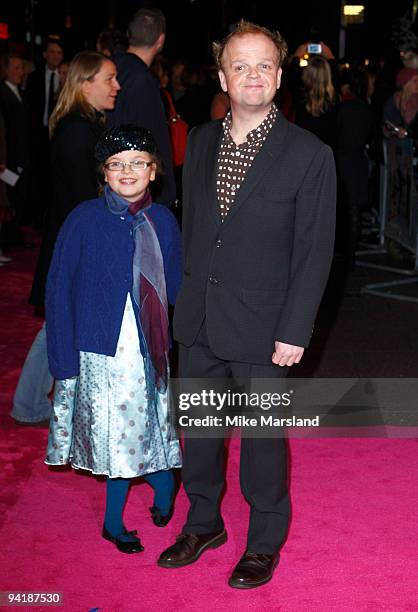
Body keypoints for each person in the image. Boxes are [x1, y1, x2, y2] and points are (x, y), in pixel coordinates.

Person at [158, 20, 336, 589]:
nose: (252, 75)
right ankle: (203, 522)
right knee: (202, 434)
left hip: (266, 327)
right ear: (222, 76)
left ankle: (263, 542)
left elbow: (314, 252)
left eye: (263, 65)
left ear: (280, 76)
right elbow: (196, 231)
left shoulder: (310, 155)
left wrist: (295, 329)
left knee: (262, 442)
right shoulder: (205, 139)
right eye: (241, 65)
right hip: (201, 320)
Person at [44, 125, 182, 553]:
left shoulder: (163, 221)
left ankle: (162, 485)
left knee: (148, 428)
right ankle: (117, 518)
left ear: (154, 170)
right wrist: (62, 360)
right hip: (97, 350)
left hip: (149, 349)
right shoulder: (83, 218)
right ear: (104, 172)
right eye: (117, 164)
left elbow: (176, 287)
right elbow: (58, 288)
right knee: (116, 438)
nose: (128, 171)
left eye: (138, 162)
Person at [12, 52, 119, 423]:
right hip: (77, 245)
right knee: (62, 324)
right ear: (85, 83)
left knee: (62, 323)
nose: (116, 86)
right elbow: (84, 200)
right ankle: (33, 405)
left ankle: (33, 404)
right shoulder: (77, 130)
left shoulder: (85, 124)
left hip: (74, 241)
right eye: (109, 79)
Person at [108, 7, 176, 206]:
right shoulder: (143, 81)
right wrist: (165, 193)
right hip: (132, 193)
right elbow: (151, 139)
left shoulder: (106, 68)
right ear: (161, 40)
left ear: (129, 35)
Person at [382, 67, 418, 140]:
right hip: (399, 148)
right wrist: (395, 131)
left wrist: (409, 133)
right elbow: (385, 127)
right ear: (406, 83)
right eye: (415, 81)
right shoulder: (393, 102)